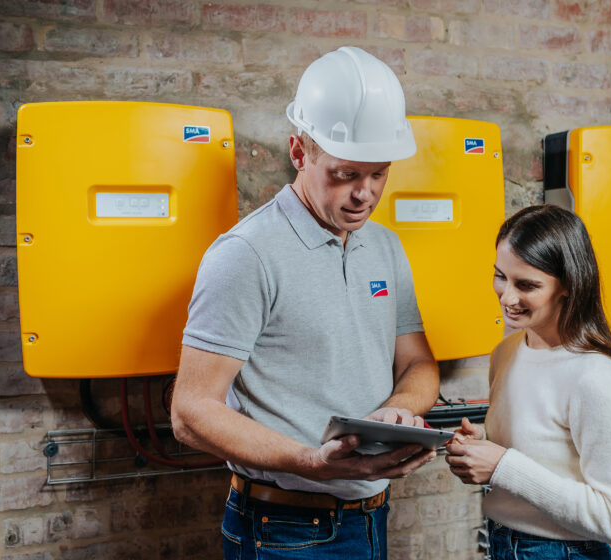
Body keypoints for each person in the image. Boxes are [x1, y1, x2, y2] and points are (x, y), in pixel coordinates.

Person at [171, 46, 440, 559]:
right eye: (345, 173)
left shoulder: (384, 246)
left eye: (378, 174)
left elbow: (418, 363)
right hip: (283, 527)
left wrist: (397, 412)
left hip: (372, 516)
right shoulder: (246, 255)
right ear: (300, 152)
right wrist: (309, 461)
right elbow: (190, 413)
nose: (365, 194)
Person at [446, 205, 611, 559]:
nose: (507, 298)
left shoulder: (598, 379)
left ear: (569, 286)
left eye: (527, 285)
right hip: (503, 542)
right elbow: (544, 454)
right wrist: (483, 446)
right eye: (500, 276)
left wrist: (502, 466)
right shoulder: (506, 352)